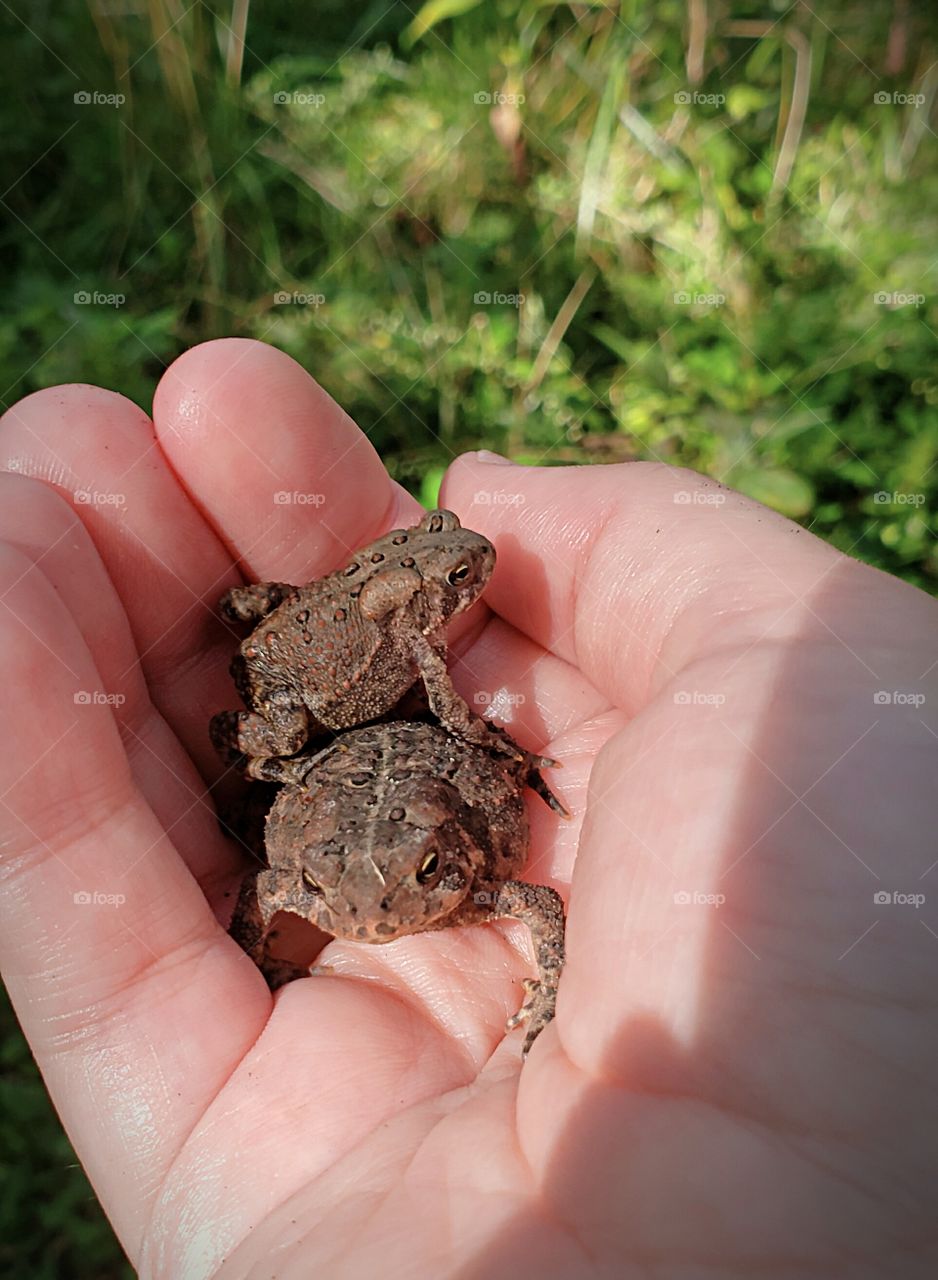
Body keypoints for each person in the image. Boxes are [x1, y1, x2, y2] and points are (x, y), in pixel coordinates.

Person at [0, 339, 934, 1279]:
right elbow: (313, 851)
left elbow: (513, 872)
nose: (375, 920)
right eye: (449, 584)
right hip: (307, 719)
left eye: (428, 876)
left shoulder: (434, 756)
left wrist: (543, 983)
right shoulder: (336, 828)